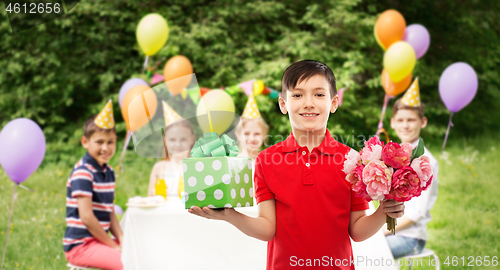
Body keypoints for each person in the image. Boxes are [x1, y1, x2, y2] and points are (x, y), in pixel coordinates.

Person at [189, 60, 405, 270]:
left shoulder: (353, 160)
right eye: (298, 95)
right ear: (283, 104)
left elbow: (357, 231)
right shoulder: (266, 160)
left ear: (334, 102)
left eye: (319, 94)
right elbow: (267, 229)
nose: (309, 102)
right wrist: (231, 215)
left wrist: (383, 212)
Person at [63, 100, 123, 270]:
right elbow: (87, 218)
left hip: (99, 240)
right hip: (80, 246)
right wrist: (113, 246)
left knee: (138, 250)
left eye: (110, 142)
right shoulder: (83, 172)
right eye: (99, 142)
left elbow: (109, 210)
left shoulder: (108, 172)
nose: (106, 147)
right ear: (85, 142)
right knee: (128, 263)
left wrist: (122, 239)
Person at [384, 78, 439, 258]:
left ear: (423, 122)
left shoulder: (424, 162)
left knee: (368, 252)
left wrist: (378, 233)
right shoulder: (392, 155)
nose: (405, 125)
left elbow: (415, 214)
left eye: (411, 120)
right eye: (400, 120)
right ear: (392, 122)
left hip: (410, 238)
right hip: (387, 231)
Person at [148, 101, 196, 199]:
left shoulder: (196, 167)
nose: (178, 145)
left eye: (183, 139)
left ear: (192, 139)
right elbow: (150, 199)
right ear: (165, 141)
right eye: (172, 140)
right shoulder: (159, 168)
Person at [236, 94, 269, 165]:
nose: (252, 138)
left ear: (264, 134)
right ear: (238, 134)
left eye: (257, 133)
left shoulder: (267, 164)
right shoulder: (233, 164)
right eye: (246, 133)